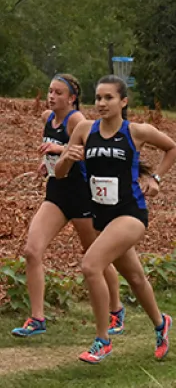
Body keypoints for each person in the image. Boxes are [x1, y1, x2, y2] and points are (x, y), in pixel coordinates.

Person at [55, 74, 176, 364]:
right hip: (102, 217)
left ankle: (102, 341)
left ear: (123, 102)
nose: (101, 103)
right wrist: (68, 157)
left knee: (90, 265)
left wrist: (156, 178)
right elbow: (60, 173)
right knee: (135, 277)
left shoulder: (136, 131)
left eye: (108, 98)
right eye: (98, 98)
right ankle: (162, 324)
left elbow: (172, 148)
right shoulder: (85, 129)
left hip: (131, 214)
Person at [12, 74, 124, 338]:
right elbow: (58, 154)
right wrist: (48, 163)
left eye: (58, 93)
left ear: (72, 98)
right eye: (50, 91)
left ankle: (116, 310)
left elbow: (93, 153)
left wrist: (60, 149)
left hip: (81, 196)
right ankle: (37, 318)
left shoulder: (78, 121)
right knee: (31, 250)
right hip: (57, 193)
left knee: (95, 255)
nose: (51, 97)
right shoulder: (47, 118)